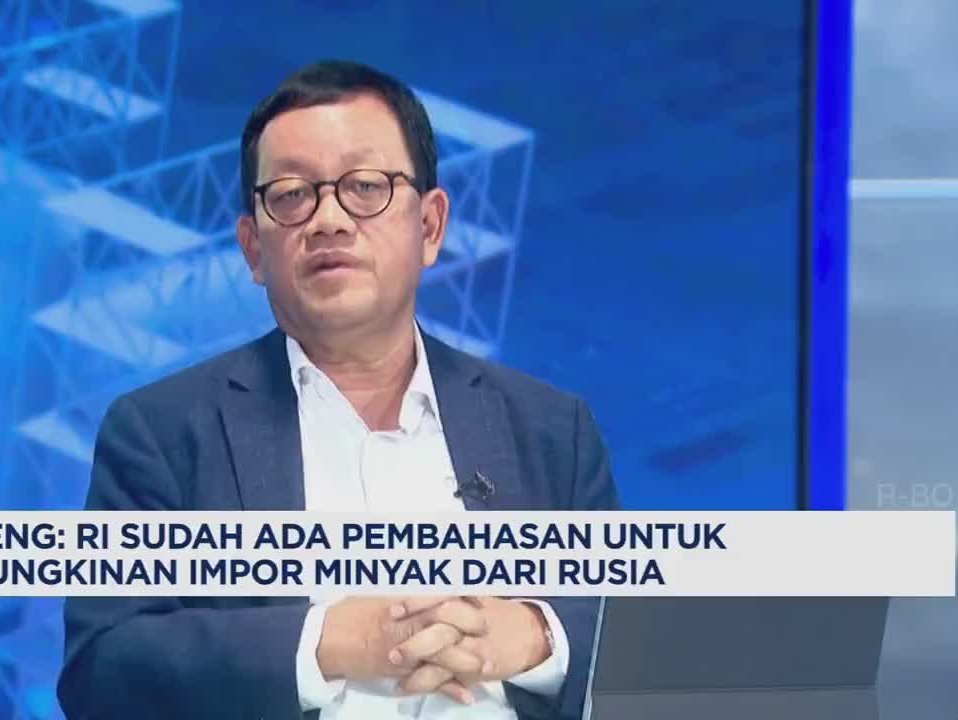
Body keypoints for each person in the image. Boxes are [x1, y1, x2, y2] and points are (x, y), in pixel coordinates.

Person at [58, 60, 620, 720]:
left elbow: (634, 637)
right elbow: (102, 671)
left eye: (365, 186)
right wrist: (324, 643)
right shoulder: (162, 433)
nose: (328, 219)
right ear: (253, 250)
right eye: (292, 194)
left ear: (431, 226)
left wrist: (531, 636)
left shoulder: (551, 429)